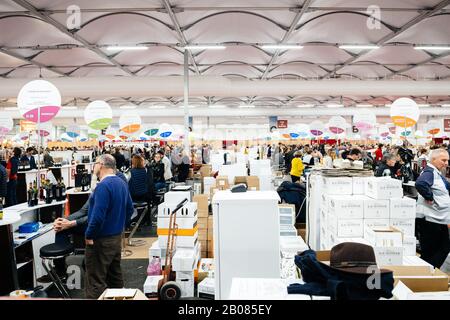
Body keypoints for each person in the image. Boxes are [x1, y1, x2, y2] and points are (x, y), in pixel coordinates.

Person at [84, 154, 134, 299]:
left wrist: (89, 235)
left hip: (100, 240)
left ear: (100, 165)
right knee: (115, 277)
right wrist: (120, 226)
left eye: (95, 164)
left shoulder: (103, 187)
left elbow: (97, 217)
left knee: (95, 280)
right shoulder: (121, 183)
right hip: (116, 238)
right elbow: (130, 209)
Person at [415, 149, 450, 269]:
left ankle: (426, 274)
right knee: (439, 249)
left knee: (433, 250)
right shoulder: (429, 172)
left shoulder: (435, 173)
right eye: (443, 160)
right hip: (431, 220)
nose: (446, 163)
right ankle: (427, 273)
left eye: (447, 160)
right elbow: (420, 184)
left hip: (436, 219)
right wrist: (429, 197)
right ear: (433, 159)